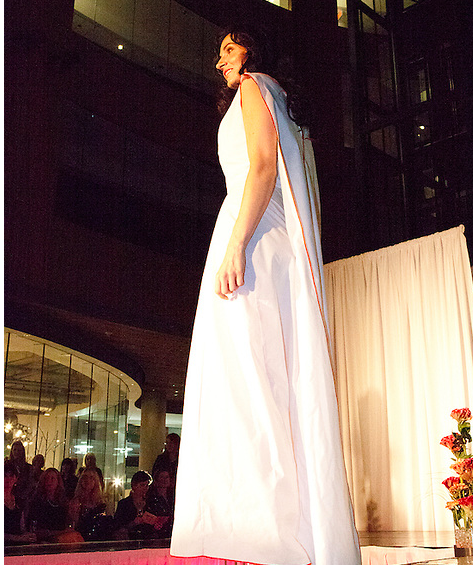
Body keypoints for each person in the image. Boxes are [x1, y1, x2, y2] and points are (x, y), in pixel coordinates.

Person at [170, 25, 361, 565]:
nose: (221, 62)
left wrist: (236, 247)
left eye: (229, 49)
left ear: (253, 49)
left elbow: (260, 167)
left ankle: (261, 533)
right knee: (266, 378)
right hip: (269, 242)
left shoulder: (255, 85)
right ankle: (281, 528)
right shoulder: (285, 105)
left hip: (252, 237)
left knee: (248, 381)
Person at [26, 468, 73, 543]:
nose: (49, 481)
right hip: (42, 541)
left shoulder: (63, 503)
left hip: (61, 540)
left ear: (58, 482)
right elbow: (35, 528)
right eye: (47, 478)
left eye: (52, 478)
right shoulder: (37, 502)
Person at [69, 469, 111, 541]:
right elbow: (72, 523)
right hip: (80, 537)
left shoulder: (101, 502)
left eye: (91, 478)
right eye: (85, 477)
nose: (87, 480)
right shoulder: (76, 501)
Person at [112, 470, 152, 540]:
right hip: (130, 539)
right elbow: (118, 526)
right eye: (142, 485)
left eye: (147, 485)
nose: (145, 488)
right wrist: (133, 523)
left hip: (147, 539)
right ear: (134, 486)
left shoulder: (150, 503)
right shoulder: (124, 504)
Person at [4, 460, 37, 546]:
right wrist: (18, 538)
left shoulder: (19, 501)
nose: (8, 480)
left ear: (16, 479)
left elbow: (22, 528)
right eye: (4, 476)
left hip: (17, 546)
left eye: (11, 476)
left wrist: (28, 535)